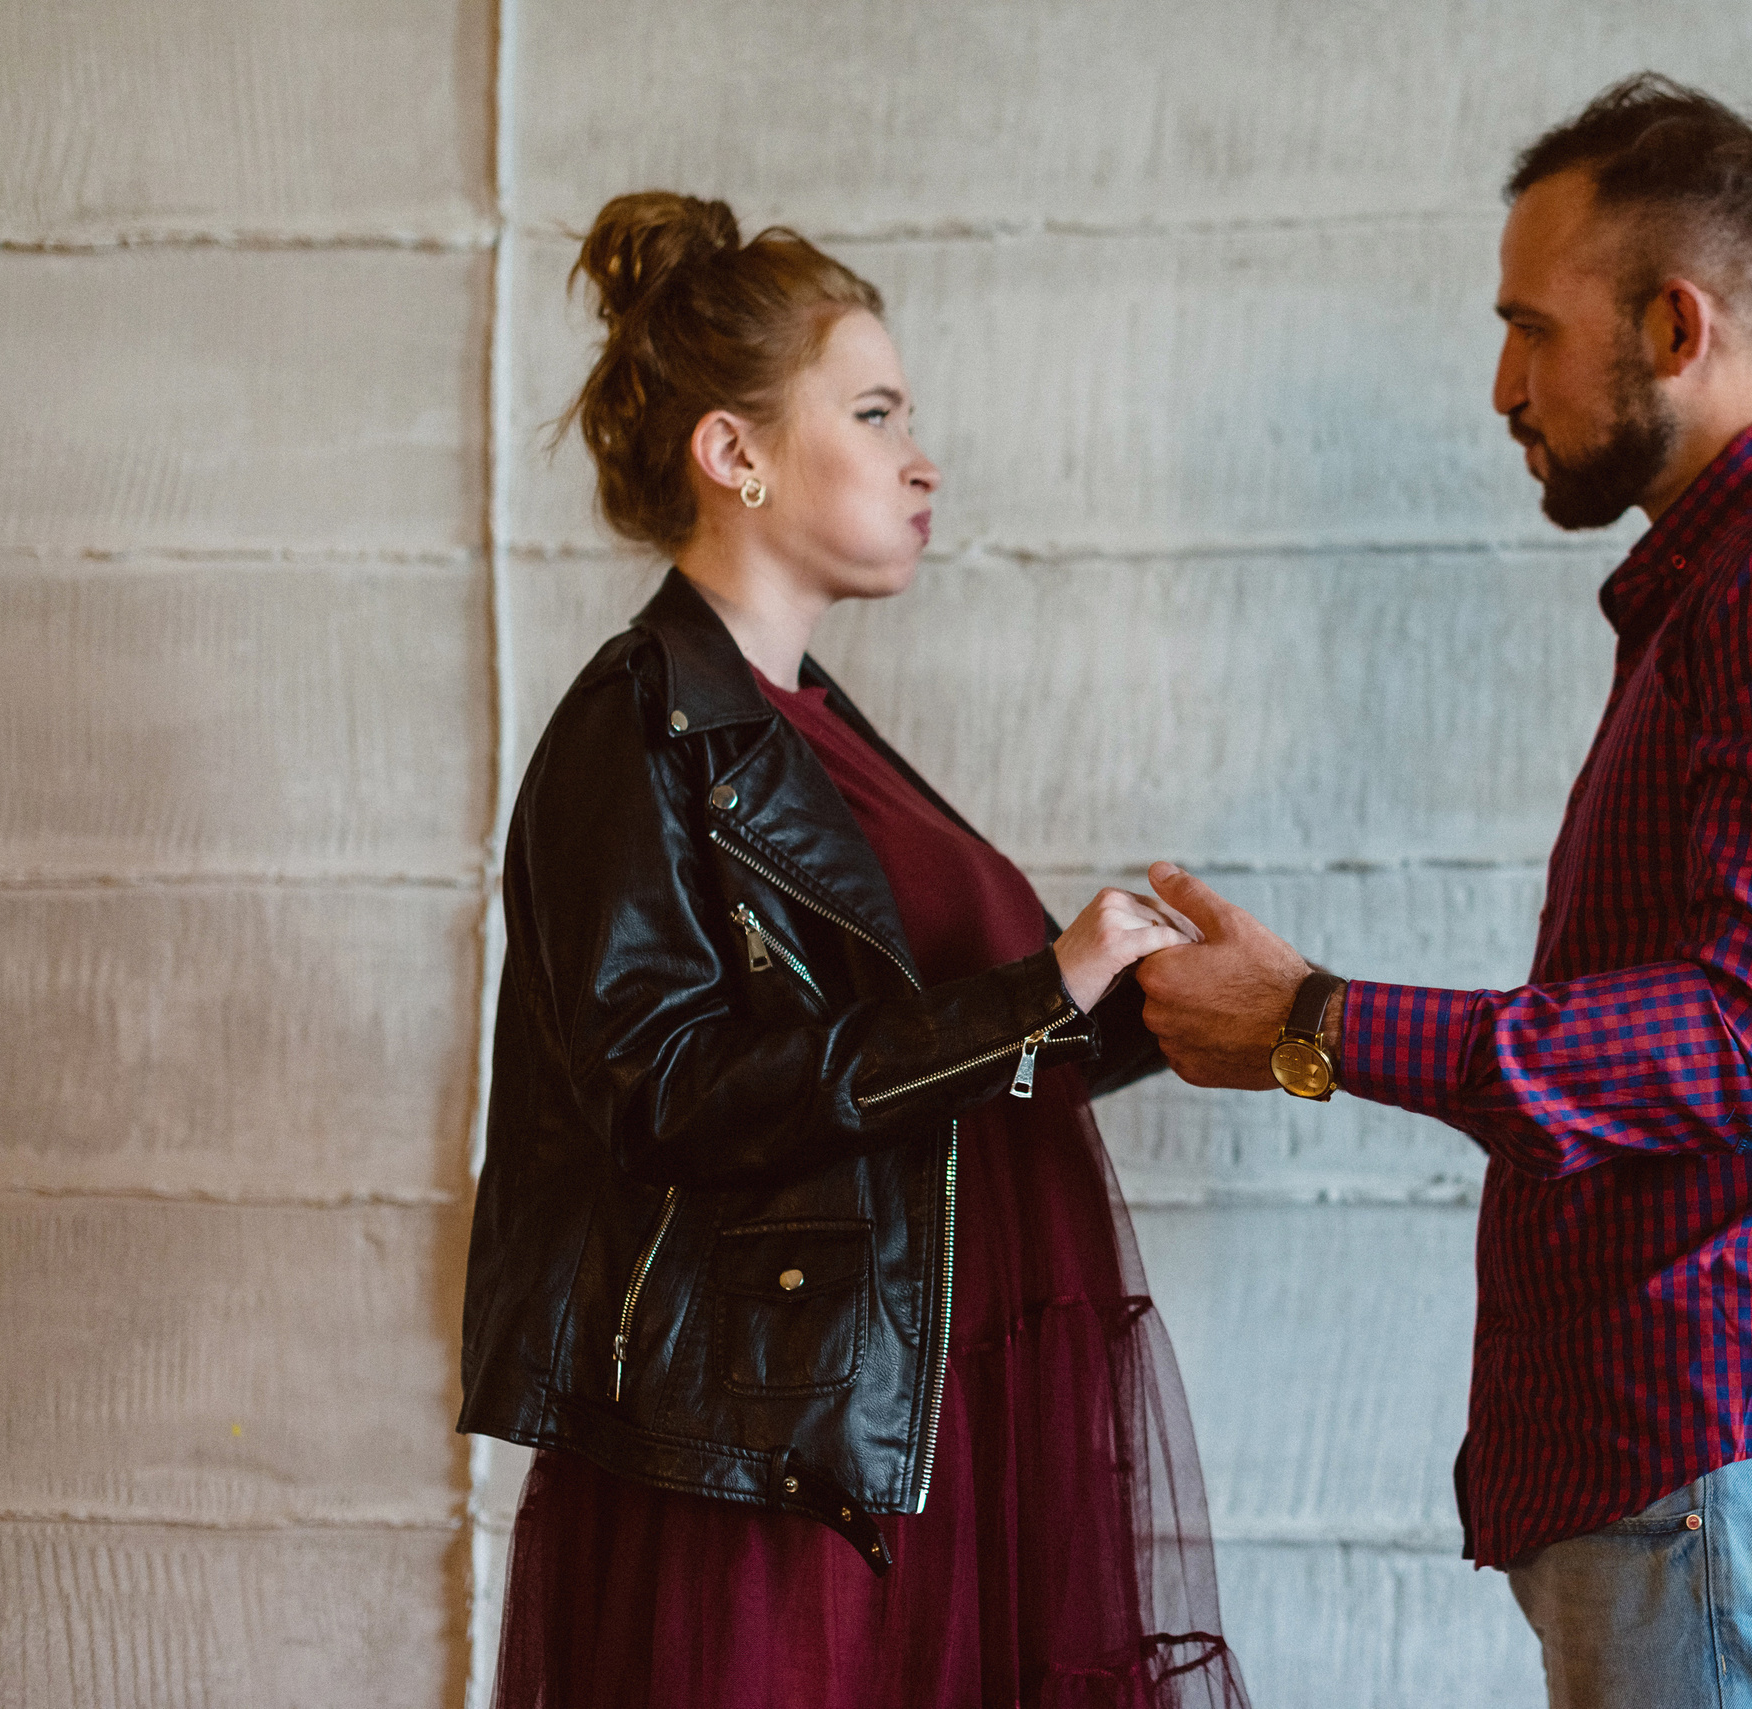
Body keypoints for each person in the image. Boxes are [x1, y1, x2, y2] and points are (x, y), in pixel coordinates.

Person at [1136, 77, 1752, 1709]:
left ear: (1676, 325)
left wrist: (1315, 1024)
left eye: (1532, 326)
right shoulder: (1738, 590)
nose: (1501, 384)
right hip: (1698, 1485)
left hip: (1731, 1475)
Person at [458, 191, 1247, 1709]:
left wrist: (1168, 1003)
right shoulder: (639, 725)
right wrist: (1036, 991)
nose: (921, 456)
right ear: (732, 451)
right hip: (780, 1467)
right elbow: (667, 1090)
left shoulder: (811, 727)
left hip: (908, 1428)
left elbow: (935, 1064)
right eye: (874, 410)